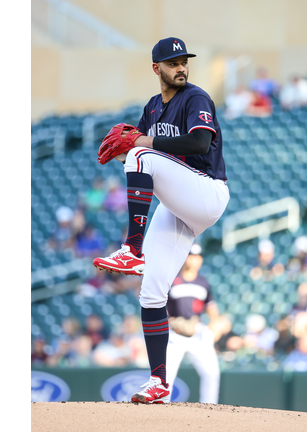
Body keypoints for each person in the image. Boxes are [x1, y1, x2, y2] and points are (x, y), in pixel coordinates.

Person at [92, 37, 230, 404]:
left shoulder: (195, 98)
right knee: (152, 291)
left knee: (142, 151)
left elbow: (200, 145)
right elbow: (139, 149)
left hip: (206, 192)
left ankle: (130, 249)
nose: (181, 67)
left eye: (184, 61)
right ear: (157, 69)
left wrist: (141, 145)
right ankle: (158, 382)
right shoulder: (153, 107)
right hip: (179, 205)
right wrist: (132, 148)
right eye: (172, 63)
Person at [165, 243, 221, 404]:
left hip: (197, 333)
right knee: (166, 376)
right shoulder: (172, 279)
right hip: (175, 334)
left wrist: (214, 327)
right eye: (191, 256)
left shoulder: (203, 282)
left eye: (197, 257)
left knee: (212, 373)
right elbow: (160, 306)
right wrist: (170, 320)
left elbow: (212, 308)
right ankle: (159, 409)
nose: (194, 260)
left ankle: (209, 408)